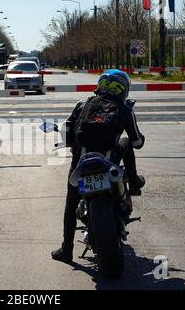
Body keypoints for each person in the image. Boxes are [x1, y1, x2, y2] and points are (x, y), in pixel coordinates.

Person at [52, 69, 146, 263]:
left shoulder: (83, 104)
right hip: (108, 162)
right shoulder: (125, 108)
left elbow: (67, 134)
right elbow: (137, 143)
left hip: (81, 163)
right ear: (124, 88)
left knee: (70, 205)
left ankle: (66, 250)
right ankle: (134, 184)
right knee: (126, 143)